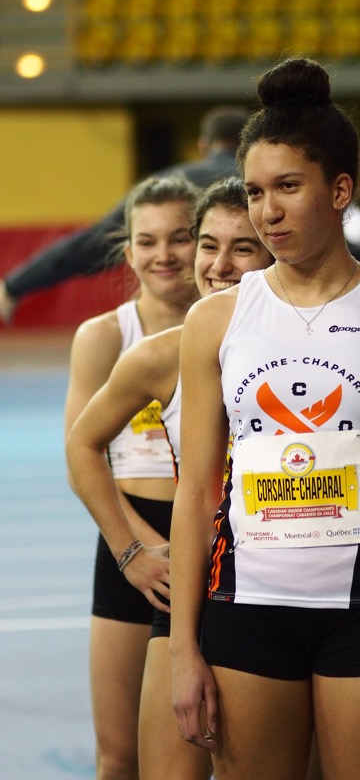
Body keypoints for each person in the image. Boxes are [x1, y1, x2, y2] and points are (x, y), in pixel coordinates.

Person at [169, 57, 360, 780]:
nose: (268, 211)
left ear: (340, 190)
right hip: (243, 610)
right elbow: (196, 490)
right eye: (258, 192)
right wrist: (182, 649)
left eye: (288, 188)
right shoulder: (216, 320)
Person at [64, 173, 201, 780]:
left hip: (219, 536)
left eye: (180, 238)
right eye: (148, 241)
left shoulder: (234, 330)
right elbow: (80, 454)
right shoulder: (103, 338)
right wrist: (134, 550)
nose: (164, 255)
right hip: (129, 541)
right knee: (121, 755)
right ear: (129, 253)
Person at [0, 105, 249, 323]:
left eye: (180, 239)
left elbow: (86, 246)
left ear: (203, 146)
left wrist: (15, 285)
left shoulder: (167, 182)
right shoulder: (259, 184)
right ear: (247, 145)